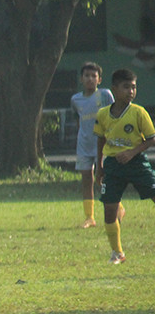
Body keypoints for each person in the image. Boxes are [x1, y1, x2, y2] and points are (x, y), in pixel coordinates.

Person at [94, 68, 155, 265]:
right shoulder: (103, 114)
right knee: (109, 209)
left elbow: (151, 139)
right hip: (113, 165)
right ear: (115, 88)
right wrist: (100, 166)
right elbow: (101, 140)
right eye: (126, 87)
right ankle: (117, 252)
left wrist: (131, 152)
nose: (131, 91)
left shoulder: (139, 112)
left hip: (137, 163)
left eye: (133, 87)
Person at [70, 62, 115, 228]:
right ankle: (89, 217)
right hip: (84, 144)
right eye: (86, 76)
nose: (90, 79)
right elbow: (78, 119)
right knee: (86, 178)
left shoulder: (105, 95)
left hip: (103, 143)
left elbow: (113, 116)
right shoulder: (75, 99)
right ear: (81, 79)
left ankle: (117, 208)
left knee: (104, 178)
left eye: (93, 76)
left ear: (99, 79)